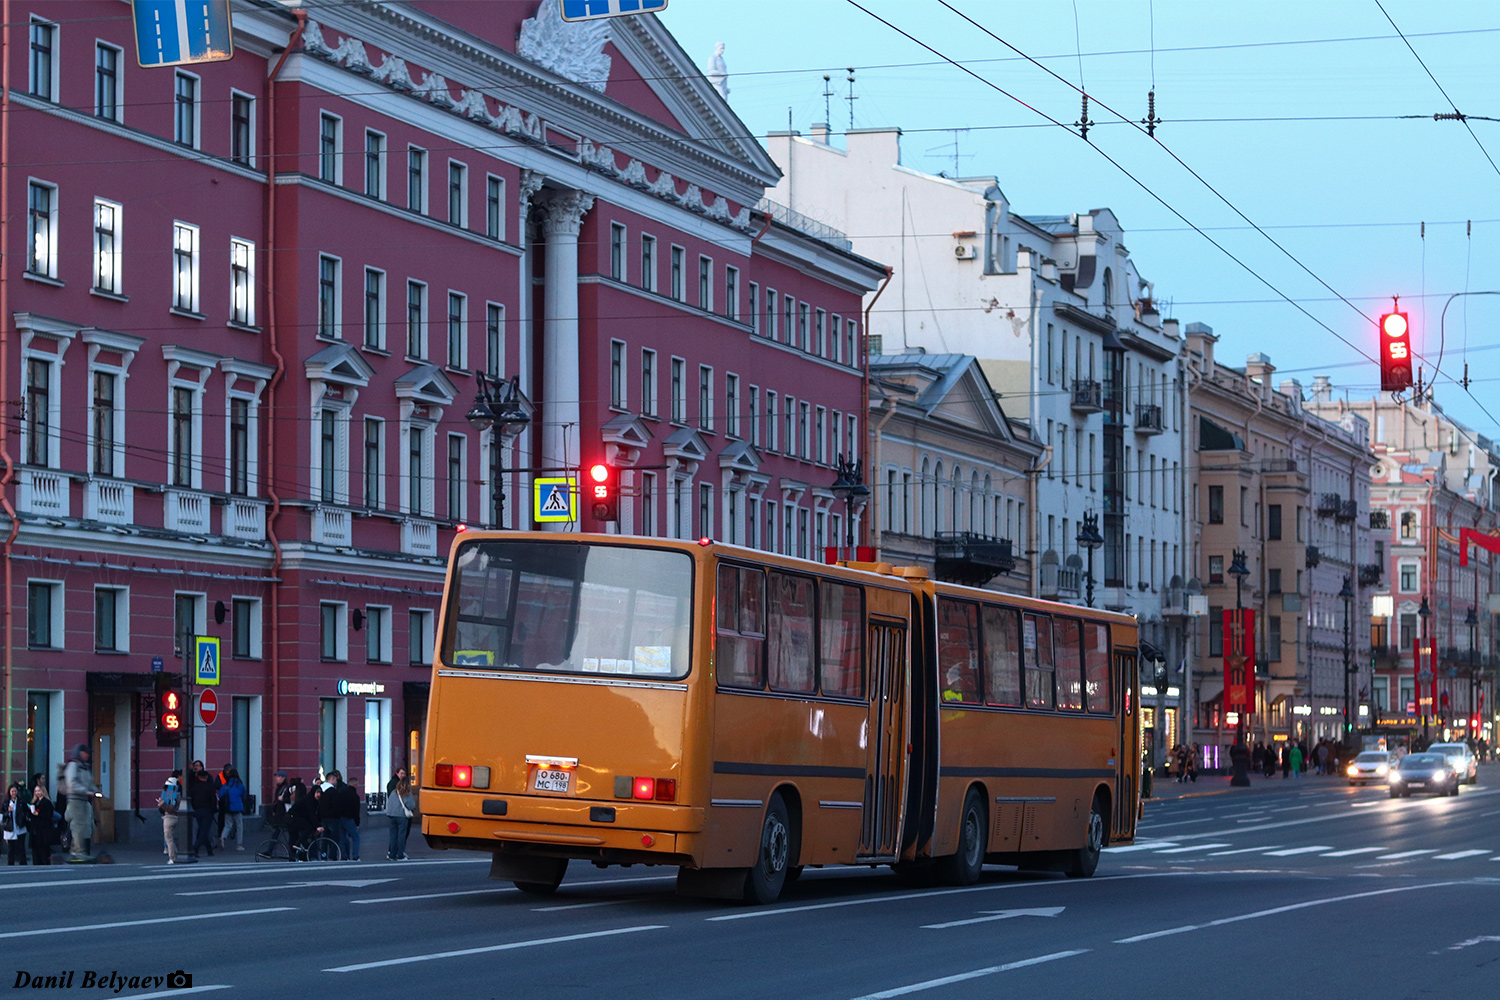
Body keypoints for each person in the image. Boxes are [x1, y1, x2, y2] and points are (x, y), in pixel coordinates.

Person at [60, 744, 99, 862]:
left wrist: (96, 791)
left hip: (83, 800)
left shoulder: (84, 767)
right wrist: (86, 791)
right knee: (77, 826)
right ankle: (76, 851)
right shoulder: (73, 765)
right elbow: (72, 782)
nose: (87, 756)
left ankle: (81, 850)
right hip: (75, 799)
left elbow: (90, 783)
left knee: (84, 826)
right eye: (85, 753)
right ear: (80, 753)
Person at [186, 760, 219, 858]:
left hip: (196, 810)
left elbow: (191, 797)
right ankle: (195, 848)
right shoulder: (209, 786)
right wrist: (213, 809)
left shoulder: (194, 786)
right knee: (203, 831)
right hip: (207, 810)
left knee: (202, 830)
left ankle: (209, 850)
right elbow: (213, 800)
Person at [385, 767, 417, 860]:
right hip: (402, 816)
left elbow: (389, 803)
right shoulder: (407, 793)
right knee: (401, 836)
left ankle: (392, 854)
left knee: (393, 835)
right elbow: (411, 805)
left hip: (392, 815)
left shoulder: (394, 792)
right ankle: (400, 855)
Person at [156, 771, 183, 864]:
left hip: (169, 817)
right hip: (175, 816)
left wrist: (161, 803)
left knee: (169, 838)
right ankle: (175, 854)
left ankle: (172, 857)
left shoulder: (169, 793)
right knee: (171, 837)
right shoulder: (177, 793)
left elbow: (169, 807)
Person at [218, 768, 248, 851]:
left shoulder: (226, 785)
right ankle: (239, 844)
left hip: (227, 808)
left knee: (227, 825)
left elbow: (220, 795)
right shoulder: (240, 785)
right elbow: (243, 794)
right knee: (239, 826)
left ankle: (222, 837)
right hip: (238, 808)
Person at [25, 782, 54, 865]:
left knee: (43, 849)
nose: (37, 793)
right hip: (35, 829)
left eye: (39, 791)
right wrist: (31, 811)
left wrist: (38, 814)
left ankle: (45, 863)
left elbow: (49, 815)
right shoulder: (34, 802)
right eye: (36, 791)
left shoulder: (47, 802)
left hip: (43, 829)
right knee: (36, 849)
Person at [3, 782, 27, 864]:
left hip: (20, 826)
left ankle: (23, 863)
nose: (14, 793)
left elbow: (26, 810)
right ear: (9, 792)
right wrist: (8, 812)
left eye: (15, 791)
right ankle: (10, 864)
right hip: (10, 827)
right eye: (12, 791)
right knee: (11, 848)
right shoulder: (6, 803)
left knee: (21, 847)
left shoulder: (21, 801)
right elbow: (2, 814)